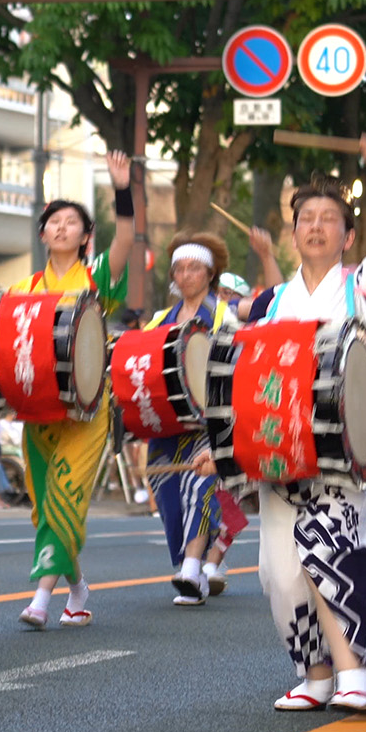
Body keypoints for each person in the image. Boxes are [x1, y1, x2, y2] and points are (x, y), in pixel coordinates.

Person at [236, 135, 366, 712]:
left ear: (348, 236)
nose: (315, 226)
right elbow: (244, 380)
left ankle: (353, 671)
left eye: (329, 219)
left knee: (323, 553)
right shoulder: (270, 303)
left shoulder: (361, 288)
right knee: (278, 574)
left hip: (345, 454)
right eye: (306, 217)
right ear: (293, 231)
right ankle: (315, 673)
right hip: (281, 453)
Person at [15, 151, 133, 630]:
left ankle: (40, 598)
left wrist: (121, 188)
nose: (61, 228)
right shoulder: (24, 287)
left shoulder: (96, 279)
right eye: (54, 222)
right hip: (39, 410)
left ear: (86, 237)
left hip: (86, 410)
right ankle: (78, 589)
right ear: (44, 234)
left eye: (72, 223)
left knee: (66, 496)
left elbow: (125, 238)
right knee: (45, 506)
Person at [143, 230, 237, 606]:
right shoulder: (159, 318)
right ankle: (189, 568)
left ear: (210, 274)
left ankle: (193, 567)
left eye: (194, 268)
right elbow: (144, 356)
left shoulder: (223, 316)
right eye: (179, 268)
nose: (185, 275)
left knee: (200, 488)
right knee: (168, 498)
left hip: (208, 419)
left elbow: (235, 365)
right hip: (166, 420)